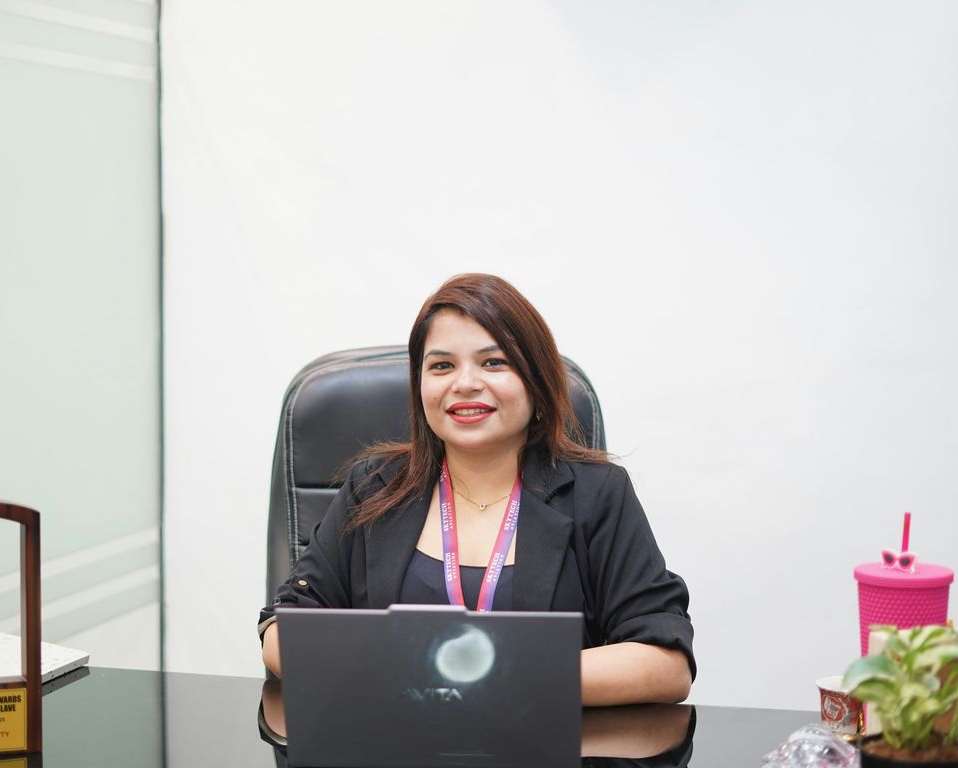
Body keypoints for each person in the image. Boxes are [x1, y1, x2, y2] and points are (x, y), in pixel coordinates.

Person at [259, 273, 694, 705]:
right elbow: (283, 633)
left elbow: (665, 663)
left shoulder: (597, 493)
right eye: (442, 366)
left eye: (494, 362)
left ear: (537, 384)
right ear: (420, 387)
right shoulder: (374, 486)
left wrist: (496, 673)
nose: (464, 383)